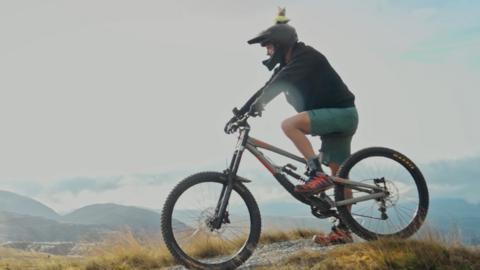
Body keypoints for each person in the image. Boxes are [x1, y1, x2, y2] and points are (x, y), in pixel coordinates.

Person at [228, 9, 358, 245]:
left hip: (343, 115)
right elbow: (267, 87)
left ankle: (315, 172)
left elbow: (281, 84)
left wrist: (259, 105)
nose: (267, 52)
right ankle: (344, 231)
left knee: (289, 125)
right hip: (335, 121)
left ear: (280, 44)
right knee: (340, 179)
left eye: (268, 46)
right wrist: (241, 113)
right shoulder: (288, 64)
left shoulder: (305, 56)